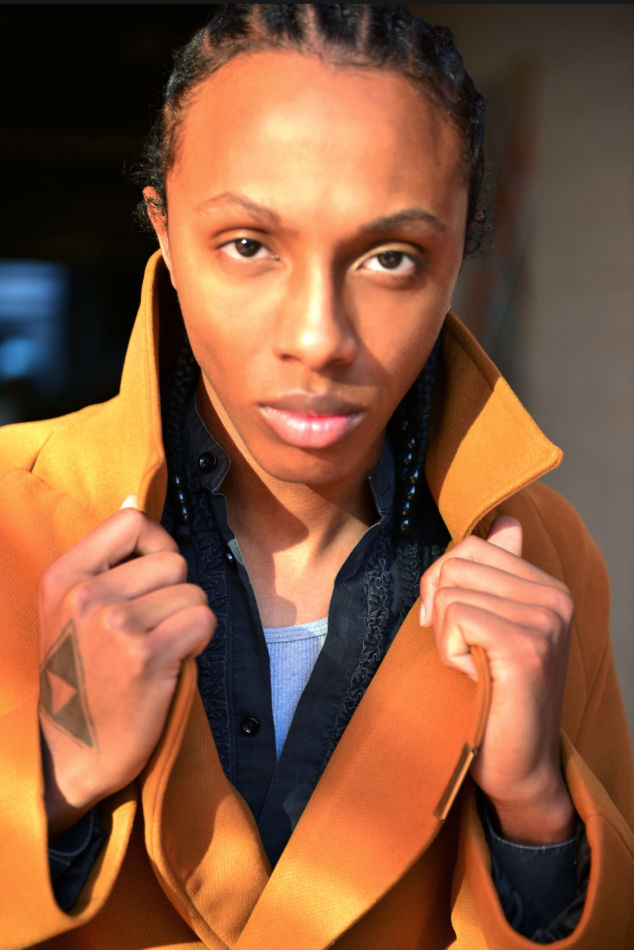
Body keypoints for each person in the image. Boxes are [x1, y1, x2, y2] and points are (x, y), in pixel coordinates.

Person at [0, 4, 632, 948]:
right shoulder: (13, 514)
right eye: (249, 245)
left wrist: (536, 809)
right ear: (163, 230)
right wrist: (53, 778)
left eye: (391, 258)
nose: (318, 337)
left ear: (459, 255)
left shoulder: (544, 558)